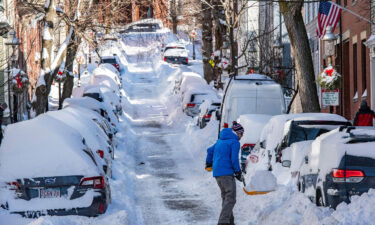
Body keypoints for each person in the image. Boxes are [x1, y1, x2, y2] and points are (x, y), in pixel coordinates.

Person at [205, 121, 244, 225]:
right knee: (231, 199)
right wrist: (238, 171)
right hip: (226, 174)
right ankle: (222, 222)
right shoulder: (234, 142)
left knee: (226, 198)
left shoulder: (220, 140)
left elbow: (209, 151)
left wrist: (208, 163)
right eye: (241, 133)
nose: (242, 136)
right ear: (237, 133)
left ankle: (230, 222)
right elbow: (234, 159)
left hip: (217, 173)